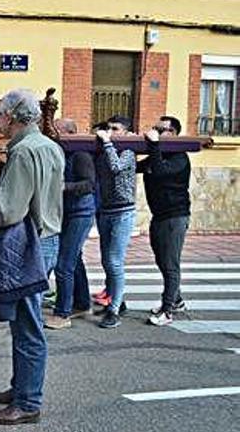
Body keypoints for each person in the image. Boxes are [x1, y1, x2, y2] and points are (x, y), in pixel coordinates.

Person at [0, 89, 64, 425]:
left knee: (28, 325)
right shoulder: (50, 146)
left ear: (15, 117)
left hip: (27, 243)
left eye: (1, 115)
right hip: (48, 238)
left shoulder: (21, 153)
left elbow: (9, 212)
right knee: (25, 321)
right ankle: (21, 388)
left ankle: (28, 401)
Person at [138, 116, 191, 326]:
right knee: (161, 260)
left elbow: (159, 172)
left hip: (175, 216)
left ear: (174, 133)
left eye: (162, 129)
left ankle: (167, 310)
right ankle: (176, 300)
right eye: (155, 128)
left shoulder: (179, 157)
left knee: (170, 264)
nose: (157, 132)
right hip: (159, 215)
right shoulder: (157, 154)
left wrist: (153, 145)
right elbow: (138, 167)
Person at [45, 119, 96, 330]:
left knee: (64, 263)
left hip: (80, 213)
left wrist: (63, 186)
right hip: (68, 212)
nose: (52, 134)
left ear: (69, 133)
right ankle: (82, 303)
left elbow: (88, 184)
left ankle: (62, 314)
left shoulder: (81, 154)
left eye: (56, 130)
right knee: (75, 258)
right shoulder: (62, 153)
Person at [93, 115, 137, 329]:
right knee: (106, 260)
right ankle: (116, 299)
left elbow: (116, 168)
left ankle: (114, 310)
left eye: (115, 128)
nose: (110, 132)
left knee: (114, 261)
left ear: (126, 133)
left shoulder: (127, 152)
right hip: (106, 211)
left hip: (123, 212)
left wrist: (107, 143)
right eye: (108, 128)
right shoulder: (104, 151)